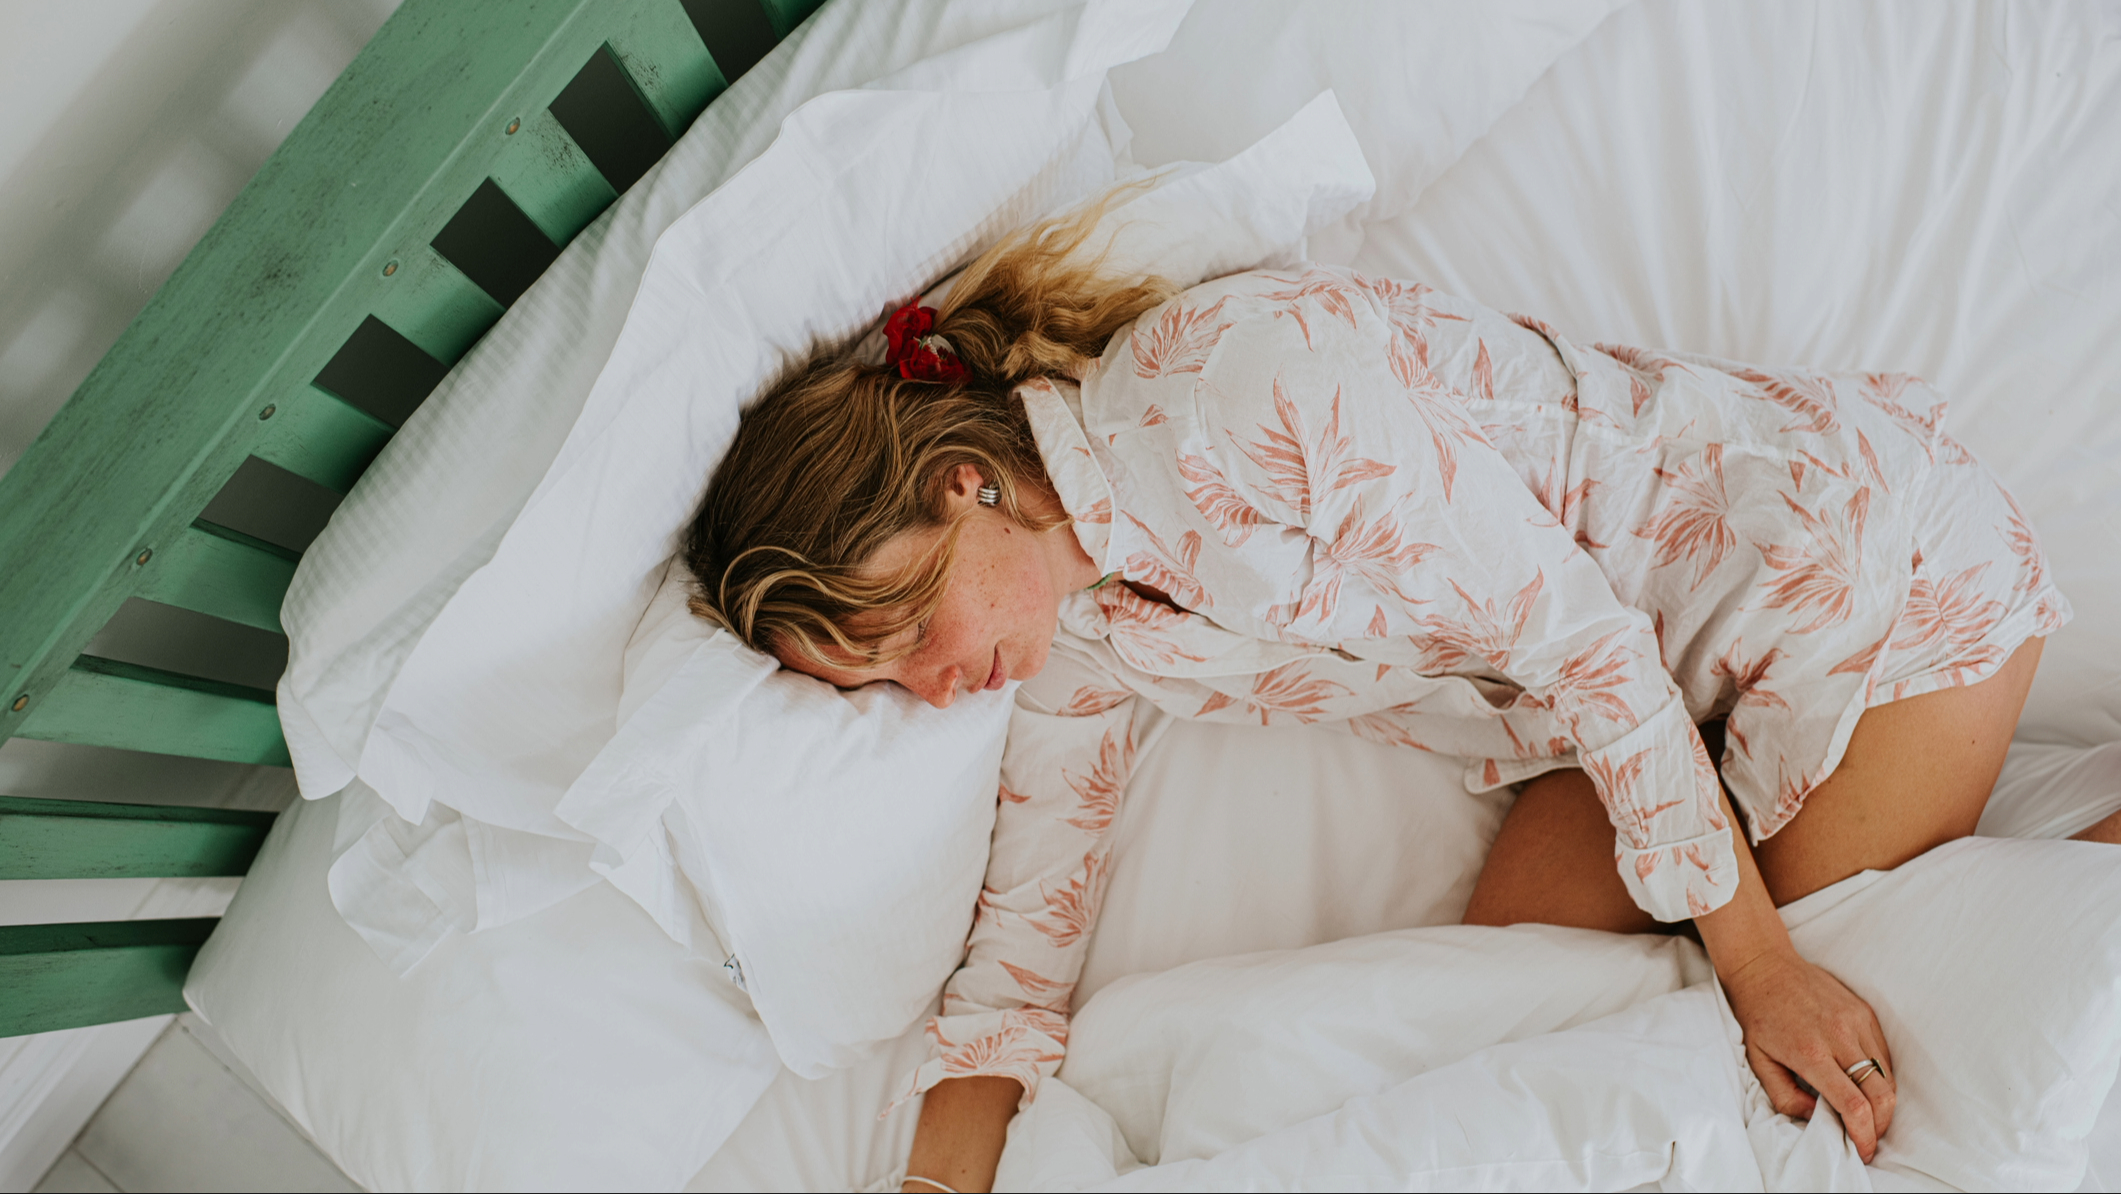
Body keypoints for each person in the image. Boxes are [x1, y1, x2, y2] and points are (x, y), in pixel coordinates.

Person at [686, 199, 2084, 1194]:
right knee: (1490, 1022)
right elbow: (1020, 948)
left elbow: (1578, 637)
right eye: (875, 682)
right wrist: (937, 1182)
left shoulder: (1233, 385)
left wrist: (1762, 958)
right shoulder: (1090, 640)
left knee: (1860, 1047)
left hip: (1851, 580)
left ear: (961, 485)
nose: (929, 691)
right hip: (1643, 709)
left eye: (905, 629)